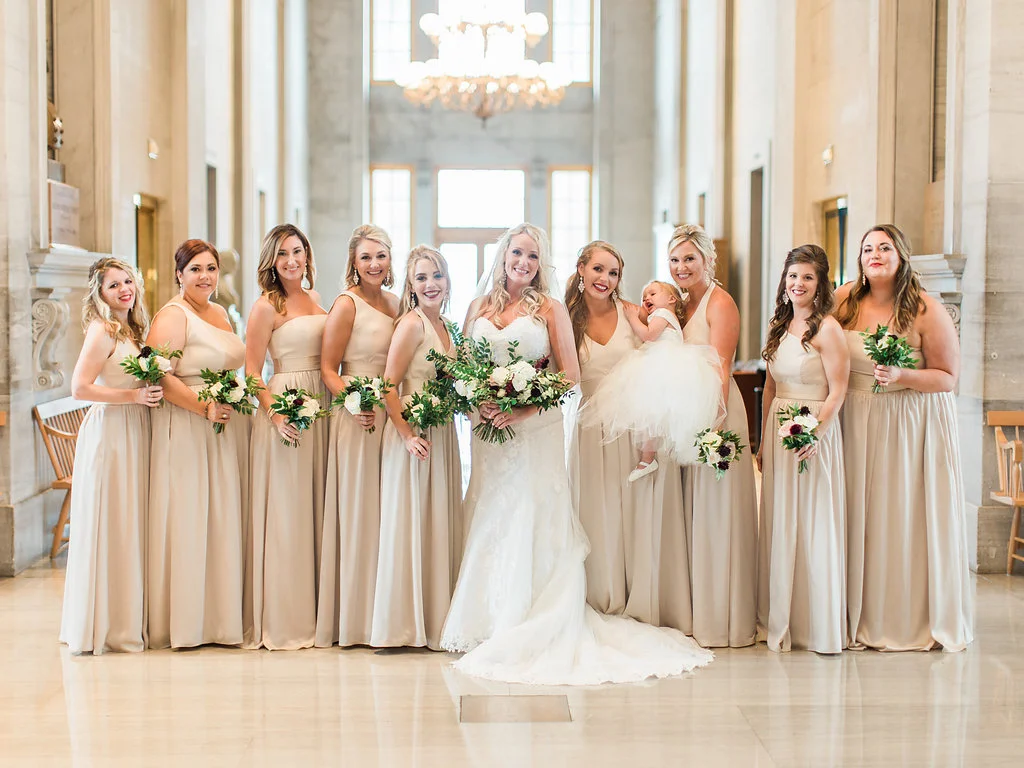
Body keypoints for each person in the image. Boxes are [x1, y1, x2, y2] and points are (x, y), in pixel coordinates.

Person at [439, 223, 714, 685]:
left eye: (532, 256)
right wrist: (476, 402)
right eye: (517, 253)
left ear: (540, 263)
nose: (523, 262)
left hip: (535, 427)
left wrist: (522, 410)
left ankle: (533, 612)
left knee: (534, 511)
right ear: (503, 255)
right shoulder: (476, 307)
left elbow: (568, 377)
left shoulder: (549, 309)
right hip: (489, 432)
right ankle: (486, 615)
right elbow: (463, 368)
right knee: (490, 511)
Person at [836, 224, 973, 651]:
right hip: (853, 419)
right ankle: (847, 611)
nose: (874, 255)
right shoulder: (843, 300)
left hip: (907, 424)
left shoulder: (925, 310)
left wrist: (901, 375)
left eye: (884, 247)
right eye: (866, 249)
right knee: (858, 515)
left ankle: (900, 616)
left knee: (898, 516)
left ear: (901, 256)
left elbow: (948, 378)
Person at [147, 239, 250, 649]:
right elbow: (158, 375)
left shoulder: (221, 312)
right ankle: (187, 622)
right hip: (187, 425)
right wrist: (203, 406)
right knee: (189, 517)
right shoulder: (173, 315)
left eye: (210, 268)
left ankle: (219, 619)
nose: (205, 276)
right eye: (195, 270)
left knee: (219, 516)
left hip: (221, 429)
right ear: (179, 274)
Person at [60, 258, 160, 654]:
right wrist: (132, 396)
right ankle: (104, 624)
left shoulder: (135, 330)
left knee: (129, 523)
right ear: (99, 294)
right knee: (111, 521)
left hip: (134, 429)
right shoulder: (102, 330)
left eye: (128, 281)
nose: (124, 289)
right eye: (113, 285)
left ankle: (127, 617)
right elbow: (79, 388)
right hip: (111, 432)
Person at [756, 245, 849, 654]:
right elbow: (771, 387)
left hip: (813, 428)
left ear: (820, 284)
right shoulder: (777, 324)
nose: (798, 284)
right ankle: (780, 617)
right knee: (780, 520)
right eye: (793, 276)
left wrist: (816, 433)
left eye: (807, 278)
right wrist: (762, 440)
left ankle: (815, 624)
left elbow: (839, 389)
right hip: (778, 426)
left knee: (812, 521)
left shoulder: (827, 328)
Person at [669, 224, 758, 648]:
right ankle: (695, 608)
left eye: (689, 258)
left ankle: (723, 616)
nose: (681, 267)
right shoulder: (681, 304)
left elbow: (722, 366)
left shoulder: (719, 302)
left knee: (717, 512)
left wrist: (715, 426)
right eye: (675, 259)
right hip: (686, 413)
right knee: (692, 513)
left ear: (707, 260)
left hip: (716, 413)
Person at [370, 245, 462, 650]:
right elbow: (389, 385)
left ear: (446, 281)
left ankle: (436, 616)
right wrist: (407, 434)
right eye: (421, 278)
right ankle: (404, 623)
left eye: (436, 276)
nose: (430, 284)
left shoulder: (446, 326)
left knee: (436, 519)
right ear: (410, 284)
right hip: (413, 427)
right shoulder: (411, 324)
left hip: (441, 428)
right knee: (410, 520)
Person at [243, 224, 327, 650]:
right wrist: (275, 415)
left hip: (324, 407)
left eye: (297, 251)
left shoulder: (315, 299)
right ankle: (286, 617)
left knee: (316, 506)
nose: (292, 260)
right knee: (289, 511)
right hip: (288, 405)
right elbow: (252, 372)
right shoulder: (266, 306)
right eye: (282, 255)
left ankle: (320, 610)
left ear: (307, 255)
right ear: (272, 263)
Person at [316, 224, 400, 647]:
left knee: (387, 511)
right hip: (356, 416)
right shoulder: (345, 305)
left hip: (392, 414)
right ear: (353, 262)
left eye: (380, 256)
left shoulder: (397, 303)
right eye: (365, 257)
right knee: (359, 510)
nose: (373, 264)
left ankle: (384, 609)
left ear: (390, 260)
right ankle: (355, 618)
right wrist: (356, 402)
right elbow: (329, 369)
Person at [584, 279, 723, 481]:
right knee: (654, 416)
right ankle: (649, 458)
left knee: (648, 413)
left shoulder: (663, 314)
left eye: (652, 293)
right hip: (667, 366)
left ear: (671, 298)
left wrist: (632, 318)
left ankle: (647, 459)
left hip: (661, 364)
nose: (646, 298)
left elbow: (649, 336)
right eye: (644, 296)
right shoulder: (666, 315)